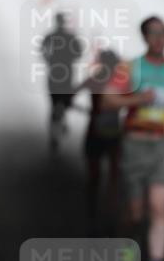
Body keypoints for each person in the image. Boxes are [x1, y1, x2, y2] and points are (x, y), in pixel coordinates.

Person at [102, 16, 164, 261]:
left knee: (159, 207)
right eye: (153, 34)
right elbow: (107, 99)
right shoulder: (130, 67)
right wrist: (138, 99)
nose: (159, 38)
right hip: (135, 143)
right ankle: (127, 247)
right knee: (135, 212)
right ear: (145, 37)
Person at [75, 48, 124, 234]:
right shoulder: (120, 81)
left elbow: (70, 94)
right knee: (114, 177)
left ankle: (92, 213)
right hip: (113, 133)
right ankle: (111, 215)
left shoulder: (93, 79)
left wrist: (85, 110)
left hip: (94, 131)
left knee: (94, 177)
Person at [40, 12, 83, 150]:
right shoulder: (69, 36)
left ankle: (56, 130)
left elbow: (43, 50)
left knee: (57, 104)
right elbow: (79, 53)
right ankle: (57, 129)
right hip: (64, 74)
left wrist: (50, 60)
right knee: (62, 102)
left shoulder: (53, 35)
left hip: (56, 74)